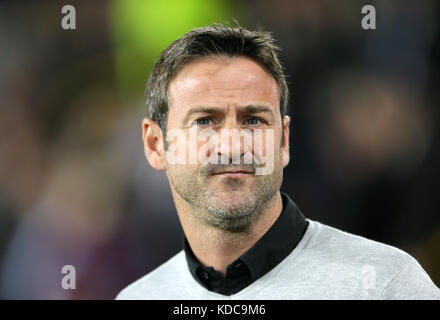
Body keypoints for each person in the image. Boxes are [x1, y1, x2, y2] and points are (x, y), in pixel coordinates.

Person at [116, 23, 440, 299]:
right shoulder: (139, 297)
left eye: (254, 120)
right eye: (204, 121)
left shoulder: (388, 284)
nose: (232, 144)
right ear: (156, 145)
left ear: (284, 140)